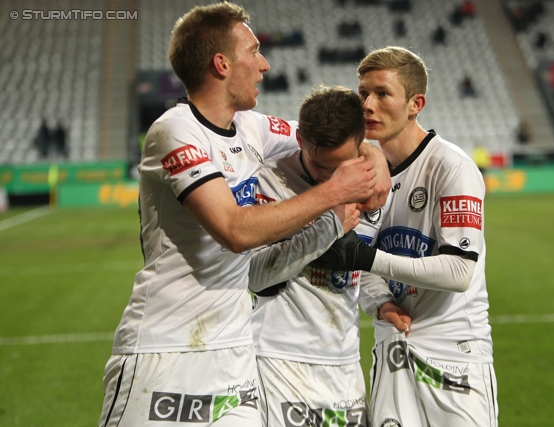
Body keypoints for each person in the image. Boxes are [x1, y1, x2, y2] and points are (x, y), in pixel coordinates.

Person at [97, 3, 390, 426]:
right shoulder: (174, 131)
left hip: (234, 356)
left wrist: (372, 152)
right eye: (253, 52)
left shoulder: (251, 127)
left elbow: (325, 135)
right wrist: (333, 193)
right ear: (221, 64)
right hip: (165, 348)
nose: (264, 64)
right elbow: (233, 230)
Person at [315, 46, 498, 426]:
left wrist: (367, 260)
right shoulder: (361, 174)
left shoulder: (451, 167)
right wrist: (381, 301)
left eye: (382, 94)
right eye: (363, 93)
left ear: (416, 104)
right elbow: (360, 258)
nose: (367, 105)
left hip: (455, 356)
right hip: (394, 347)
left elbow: (458, 272)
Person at [247, 86, 410, 427]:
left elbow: (357, 259)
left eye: (341, 167)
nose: (331, 177)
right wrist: (328, 226)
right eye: (321, 166)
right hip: (281, 360)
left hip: (344, 360)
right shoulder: (269, 181)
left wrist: (380, 300)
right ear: (300, 139)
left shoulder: (372, 182)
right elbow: (257, 276)